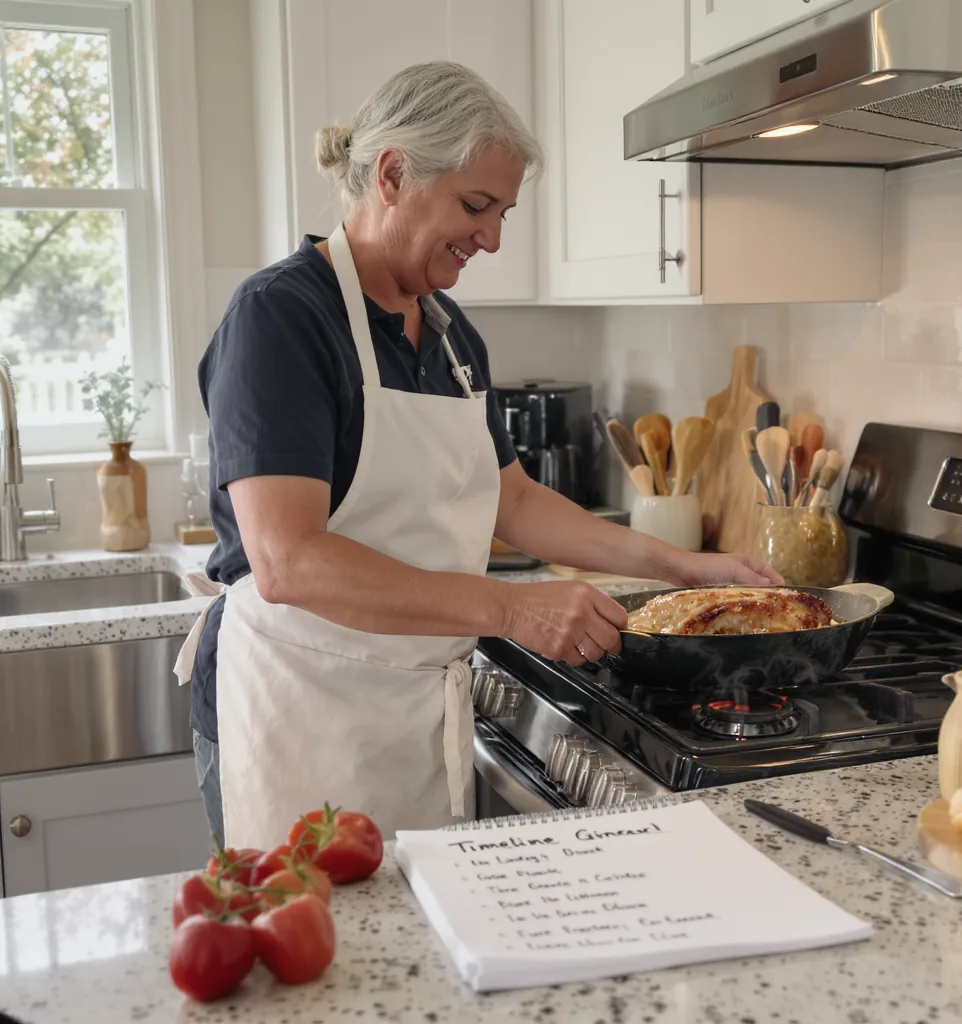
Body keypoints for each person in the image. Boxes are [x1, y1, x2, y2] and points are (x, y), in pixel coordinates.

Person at [173, 61, 781, 849]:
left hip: (418, 706)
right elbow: (290, 561)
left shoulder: (454, 335)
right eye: (475, 205)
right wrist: (511, 609)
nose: (492, 238)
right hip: (300, 705)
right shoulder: (281, 319)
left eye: (503, 213)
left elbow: (515, 502)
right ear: (392, 173)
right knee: (321, 952)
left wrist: (683, 566)